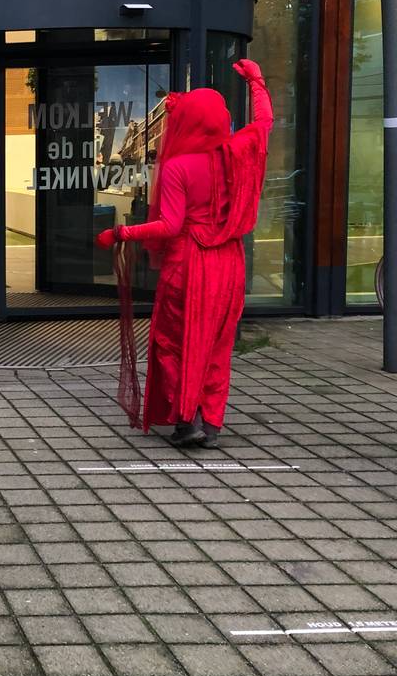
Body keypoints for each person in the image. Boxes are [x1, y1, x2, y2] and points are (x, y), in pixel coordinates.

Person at [97, 59, 272, 450]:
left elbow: (170, 226)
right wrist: (256, 84)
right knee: (216, 342)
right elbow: (263, 125)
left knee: (174, 342)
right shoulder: (238, 155)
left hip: (189, 263)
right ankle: (210, 421)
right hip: (228, 264)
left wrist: (121, 232)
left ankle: (184, 417)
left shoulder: (178, 167)